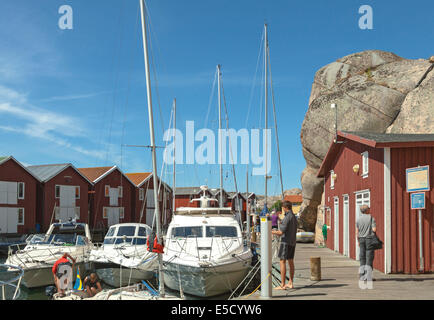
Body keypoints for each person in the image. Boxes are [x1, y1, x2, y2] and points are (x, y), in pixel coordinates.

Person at [271, 201, 297, 289]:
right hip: (293, 242)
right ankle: (290, 283)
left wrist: (271, 231)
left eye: (283, 208)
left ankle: (282, 285)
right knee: (291, 261)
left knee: (282, 261)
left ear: (285, 208)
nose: (283, 210)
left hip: (286, 242)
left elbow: (281, 232)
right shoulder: (294, 217)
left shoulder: (287, 217)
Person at [356, 205, 376, 280]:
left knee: (362, 257)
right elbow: (374, 230)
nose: (370, 209)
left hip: (361, 239)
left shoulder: (358, 219)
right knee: (369, 257)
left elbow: (357, 231)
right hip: (369, 239)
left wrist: (358, 240)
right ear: (367, 210)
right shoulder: (371, 218)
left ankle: (362, 275)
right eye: (369, 208)